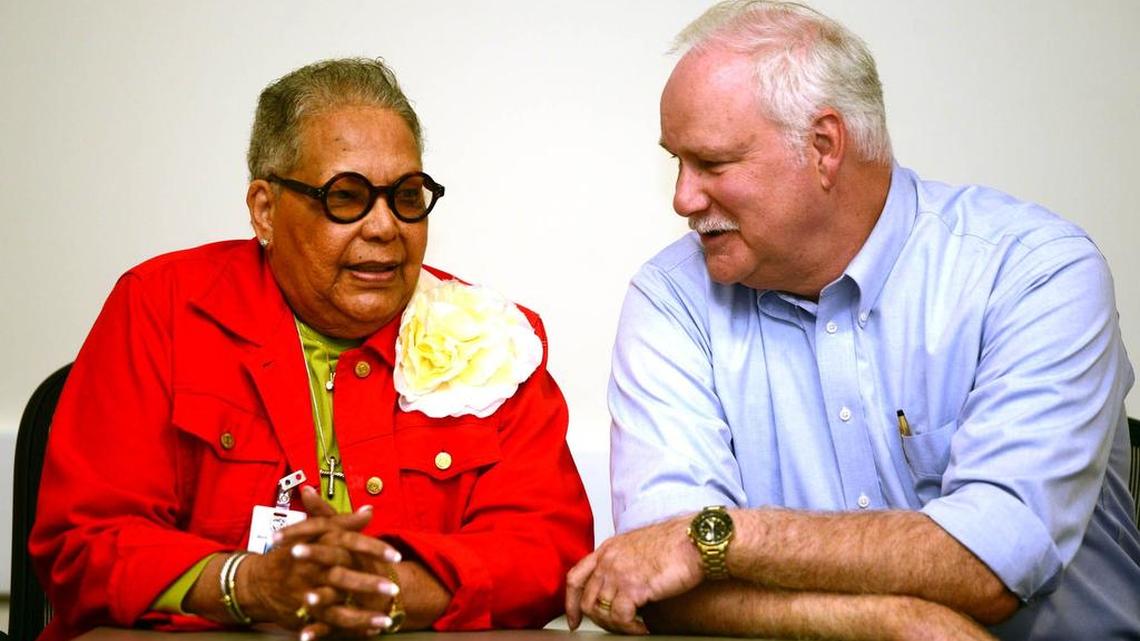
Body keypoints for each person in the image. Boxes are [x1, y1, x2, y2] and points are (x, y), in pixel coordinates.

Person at [565, 2, 1140, 640]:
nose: (683, 198)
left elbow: (994, 564)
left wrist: (724, 538)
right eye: (677, 161)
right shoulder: (670, 297)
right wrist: (889, 622)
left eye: (714, 164)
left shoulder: (1035, 272)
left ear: (824, 147)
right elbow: (656, 579)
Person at [30, 57, 593, 641]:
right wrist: (247, 584)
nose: (384, 227)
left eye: (405, 195)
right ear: (265, 210)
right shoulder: (160, 308)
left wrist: (392, 590)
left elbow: (549, 545)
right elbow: (84, 543)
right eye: (345, 197)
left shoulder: (493, 337)